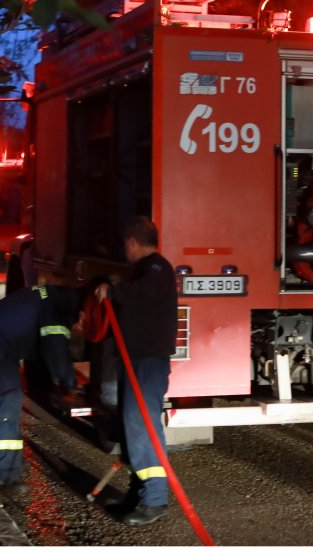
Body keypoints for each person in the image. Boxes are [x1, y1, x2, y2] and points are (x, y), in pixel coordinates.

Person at [95, 216, 178, 527]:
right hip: (136, 361)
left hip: (147, 363)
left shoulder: (156, 268)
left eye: (125, 245)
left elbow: (144, 291)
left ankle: (154, 499)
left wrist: (113, 290)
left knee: (141, 426)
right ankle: (138, 492)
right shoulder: (146, 269)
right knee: (132, 427)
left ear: (131, 243)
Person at [0, 283, 87, 490]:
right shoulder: (57, 311)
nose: (80, 327)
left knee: (10, 403)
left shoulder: (55, 297)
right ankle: (5, 475)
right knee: (4, 405)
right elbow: (56, 349)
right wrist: (70, 384)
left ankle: (11, 463)